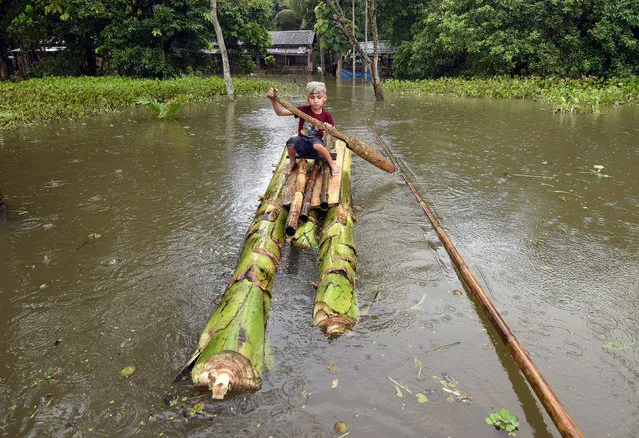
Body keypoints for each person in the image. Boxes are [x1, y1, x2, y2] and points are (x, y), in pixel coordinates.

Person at [267, 82, 339, 176]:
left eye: (319, 97)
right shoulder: (303, 110)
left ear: (324, 98)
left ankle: (332, 164)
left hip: (315, 142)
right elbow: (280, 112)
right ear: (307, 98)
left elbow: (334, 132)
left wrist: (329, 128)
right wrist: (274, 100)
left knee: (318, 146)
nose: (315, 101)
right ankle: (292, 163)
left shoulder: (326, 115)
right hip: (302, 142)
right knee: (291, 141)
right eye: (312, 98)